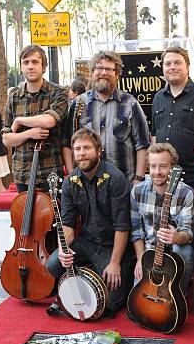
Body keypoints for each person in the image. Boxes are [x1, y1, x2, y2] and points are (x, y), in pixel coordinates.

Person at [46, 128, 133, 318]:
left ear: (98, 151)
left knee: (109, 303)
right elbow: (67, 224)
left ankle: (113, 273)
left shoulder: (116, 178)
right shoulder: (70, 182)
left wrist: (115, 263)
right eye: (77, 149)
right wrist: (63, 249)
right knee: (53, 264)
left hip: (113, 246)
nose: (81, 153)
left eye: (87, 148)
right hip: (86, 242)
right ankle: (85, 277)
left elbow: (122, 226)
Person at [152, 46, 194, 257]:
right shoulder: (158, 98)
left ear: (187, 66)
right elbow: (155, 137)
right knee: (174, 234)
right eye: (168, 63)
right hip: (168, 180)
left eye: (177, 62)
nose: (172, 67)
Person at [63, 50, 150, 183]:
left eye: (109, 69)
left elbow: (142, 144)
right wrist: (71, 175)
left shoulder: (130, 103)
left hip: (122, 184)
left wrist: (138, 179)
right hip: (86, 185)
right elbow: (67, 142)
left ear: (117, 75)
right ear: (92, 73)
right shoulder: (79, 104)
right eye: (99, 68)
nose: (103, 72)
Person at [2, 44, 69, 192]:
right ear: (21, 67)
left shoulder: (58, 92)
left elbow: (49, 121)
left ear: (44, 67)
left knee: (53, 215)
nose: (30, 66)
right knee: (26, 216)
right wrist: (28, 134)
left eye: (35, 62)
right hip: (22, 172)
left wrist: (19, 121)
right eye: (26, 62)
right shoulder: (13, 97)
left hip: (50, 172)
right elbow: (6, 140)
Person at [131, 143, 194, 293]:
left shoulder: (186, 193)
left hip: (174, 252)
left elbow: (188, 232)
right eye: (153, 166)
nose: (157, 172)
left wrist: (177, 237)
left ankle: (177, 294)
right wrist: (141, 258)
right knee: (137, 305)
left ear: (172, 167)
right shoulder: (137, 192)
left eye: (163, 166)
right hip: (149, 253)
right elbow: (136, 230)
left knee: (184, 250)